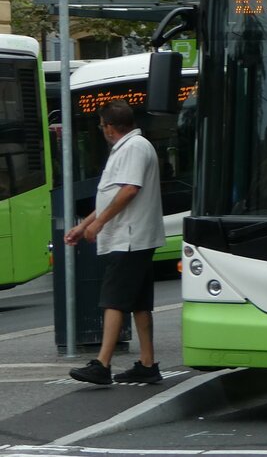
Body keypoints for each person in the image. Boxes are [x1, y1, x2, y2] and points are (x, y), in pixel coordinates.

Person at [65, 100, 165, 386]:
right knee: (139, 303)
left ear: (110, 127)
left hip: (128, 238)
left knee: (113, 300)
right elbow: (113, 194)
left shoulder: (134, 148)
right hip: (133, 236)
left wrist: (98, 224)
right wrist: (84, 224)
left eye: (101, 126)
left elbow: (129, 190)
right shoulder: (131, 147)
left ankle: (102, 364)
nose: (102, 130)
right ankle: (147, 364)